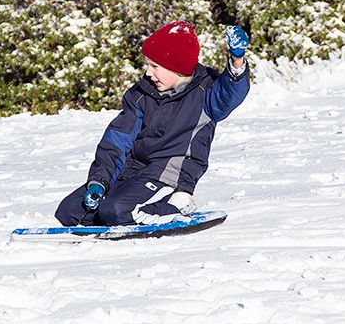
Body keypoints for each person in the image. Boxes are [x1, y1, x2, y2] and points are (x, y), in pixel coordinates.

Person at [55, 20, 250, 226]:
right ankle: (118, 213)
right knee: (69, 212)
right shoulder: (141, 94)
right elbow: (117, 141)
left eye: (155, 66)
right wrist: (99, 182)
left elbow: (230, 94)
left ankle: (177, 203)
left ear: (177, 67)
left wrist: (237, 60)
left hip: (170, 175)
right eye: (147, 65)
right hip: (133, 170)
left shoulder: (206, 93)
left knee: (115, 210)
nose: (148, 72)